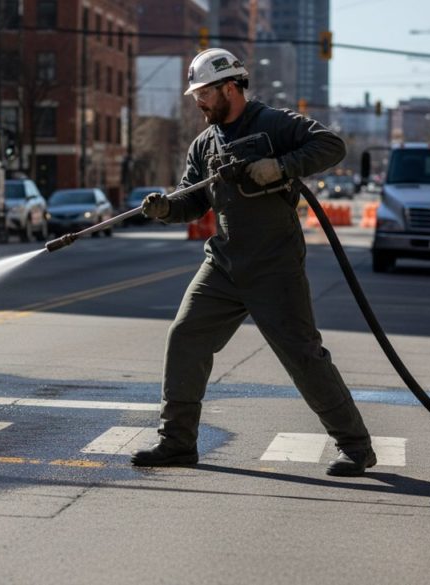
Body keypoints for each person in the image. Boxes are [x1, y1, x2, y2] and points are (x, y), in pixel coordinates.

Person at [133, 48, 376, 477]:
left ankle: (356, 447)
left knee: (303, 356)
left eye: (204, 93)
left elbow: (330, 144)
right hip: (224, 265)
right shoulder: (204, 143)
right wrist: (166, 209)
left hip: (275, 267)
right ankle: (177, 443)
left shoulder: (274, 124)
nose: (198, 102)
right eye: (194, 95)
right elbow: (192, 200)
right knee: (185, 335)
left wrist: (279, 167)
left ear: (231, 87)